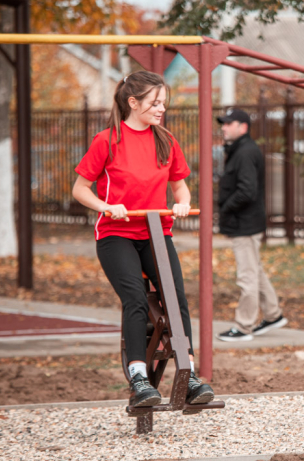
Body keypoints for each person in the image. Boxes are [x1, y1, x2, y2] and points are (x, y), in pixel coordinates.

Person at [72, 70, 214, 407]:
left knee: (175, 298)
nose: (161, 108)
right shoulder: (107, 140)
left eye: (163, 102)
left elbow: (180, 187)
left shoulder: (166, 140)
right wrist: (106, 207)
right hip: (116, 234)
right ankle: (139, 379)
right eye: (155, 102)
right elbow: (80, 189)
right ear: (133, 103)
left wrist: (183, 203)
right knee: (135, 299)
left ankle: (189, 375)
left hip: (155, 232)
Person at [216, 109, 287, 342]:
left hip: (244, 225)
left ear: (243, 127)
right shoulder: (240, 150)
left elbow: (247, 191)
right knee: (255, 270)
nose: (224, 127)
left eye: (229, 124)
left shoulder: (245, 152)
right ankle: (273, 315)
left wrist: (225, 208)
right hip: (246, 223)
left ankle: (244, 326)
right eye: (223, 124)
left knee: (247, 277)